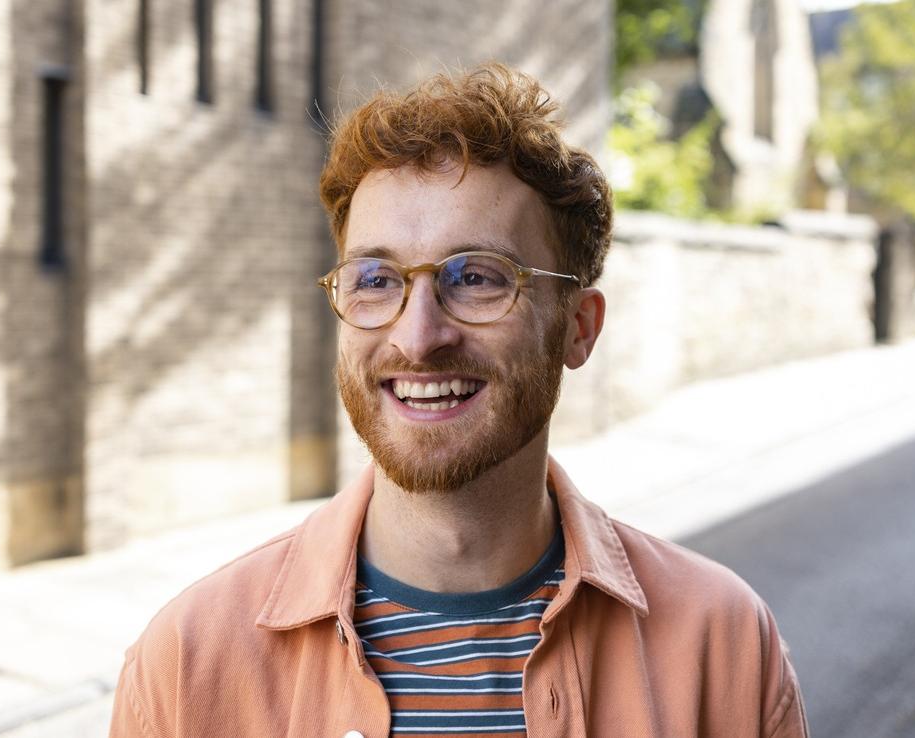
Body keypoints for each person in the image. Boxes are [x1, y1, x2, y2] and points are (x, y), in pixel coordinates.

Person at [109, 63, 808, 738]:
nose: (418, 337)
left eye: (476, 277)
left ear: (578, 327)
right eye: (377, 279)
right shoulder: (186, 668)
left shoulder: (726, 646)